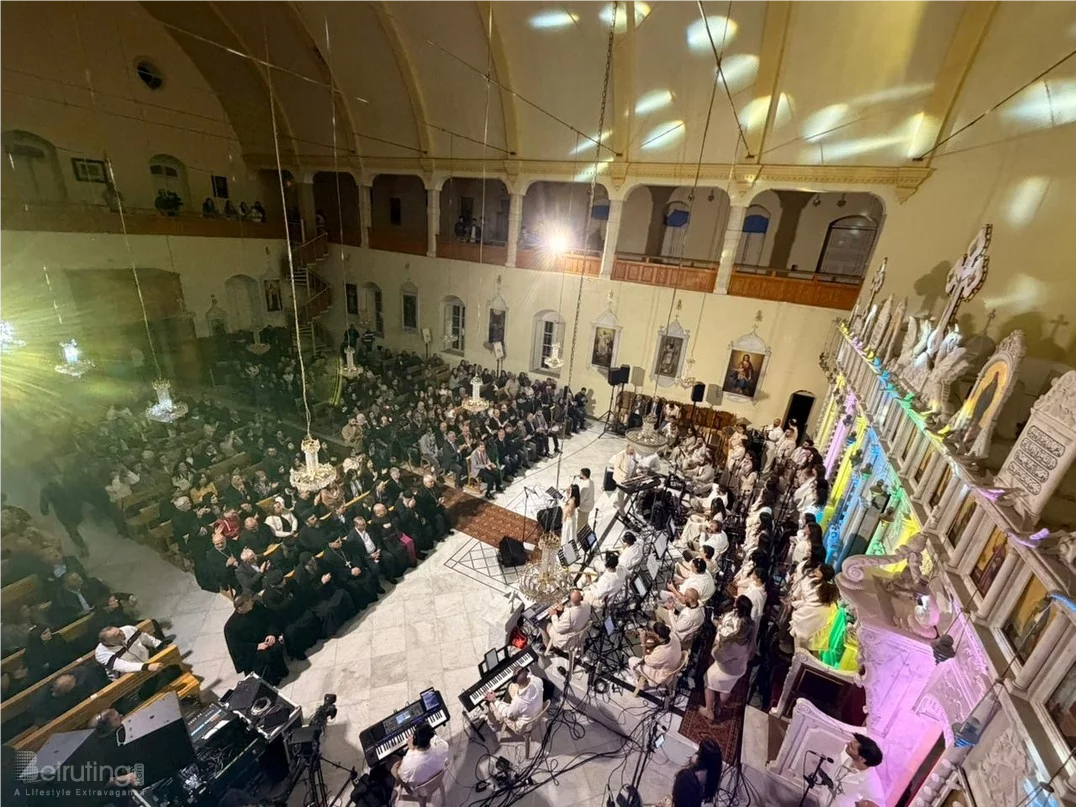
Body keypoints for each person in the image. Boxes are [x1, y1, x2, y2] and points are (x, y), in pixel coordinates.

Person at [698, 596, 755, 720]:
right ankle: (718, 708)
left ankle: (708, 711)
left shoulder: (734, 643)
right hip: (740, 668)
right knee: (726, 688)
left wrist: (717, 645)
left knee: (708, 681)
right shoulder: (752, 628)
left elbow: (718, 656)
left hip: (726, 670)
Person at [222, 594, 288, 686]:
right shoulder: (230, 627)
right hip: (251, 650)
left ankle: (281, 672)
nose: (252, 602)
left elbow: (271, 618)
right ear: (240, 608)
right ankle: (271, 680)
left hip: (266, 638)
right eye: (248, 602)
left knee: (276, 647)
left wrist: (271, 634)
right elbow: (236, 647)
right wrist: (256, 646)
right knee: (264, 656)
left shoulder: (256, 607)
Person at [829, 733, 885, 807]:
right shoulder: (845, 756)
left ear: (862, 759)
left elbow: (878, 804)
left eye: (851, 747)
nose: (847, 744)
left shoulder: (872, 783)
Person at [393, 721, 450, 787]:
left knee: (392, 763)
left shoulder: (408, 762)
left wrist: (411, 749)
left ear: (415, 740)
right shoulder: (443, 746)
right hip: (436, 780)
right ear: (430, 737)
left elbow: (401, 775)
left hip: (421, 790)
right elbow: (435, 738)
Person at [39, 477, 87, 555]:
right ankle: (83, 546)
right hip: (77, 506)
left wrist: (45, 510)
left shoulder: (46, 490)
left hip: (64, 512)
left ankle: (83, 548)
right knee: (74, 528)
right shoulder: (66, 479)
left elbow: (44, 509)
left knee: (72, 531)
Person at [628, 622, 682, 686]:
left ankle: (638, 683)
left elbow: (646, 660)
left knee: (631, 660)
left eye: (654, 632)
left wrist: (643, 642)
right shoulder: (673, 636)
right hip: (674, 666)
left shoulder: (661, 652)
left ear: (658, 635)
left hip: (663, 677)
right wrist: (650, 634)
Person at [540, 589, 591, 653]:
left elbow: (558, 629)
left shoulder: (569, 615)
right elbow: (574, 611)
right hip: (580, 633)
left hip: (567, 641)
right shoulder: (586, 604)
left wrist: (554, 615)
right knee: (558, 617)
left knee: (542, 623)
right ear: (581, 597)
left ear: (571, 601)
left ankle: (549, 647)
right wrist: (564, 608)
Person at [611, 445, 637, 512]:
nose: (632, 452)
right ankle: (621, 510)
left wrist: (635, 473)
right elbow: (616, 467)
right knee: (621, 493)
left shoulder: (634, 454)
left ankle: (615, 503)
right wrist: (624, 474)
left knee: (621, 492)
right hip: (620, 477)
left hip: (629, 477)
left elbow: (635, 464)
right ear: (627, 448)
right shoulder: (620, 455)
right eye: (630, 450)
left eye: (633, 451)